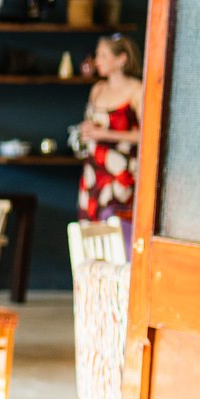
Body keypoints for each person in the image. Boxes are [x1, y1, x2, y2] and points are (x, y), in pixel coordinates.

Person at [77, 33, 142, 253]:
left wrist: (106, 134)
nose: (97, 61)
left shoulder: (136, 90)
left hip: (121, 172)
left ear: (121, 59)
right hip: (94, 170)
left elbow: (146, 134)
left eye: (103, 55)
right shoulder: (97, 89)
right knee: (89, 230)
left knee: (115, 229)